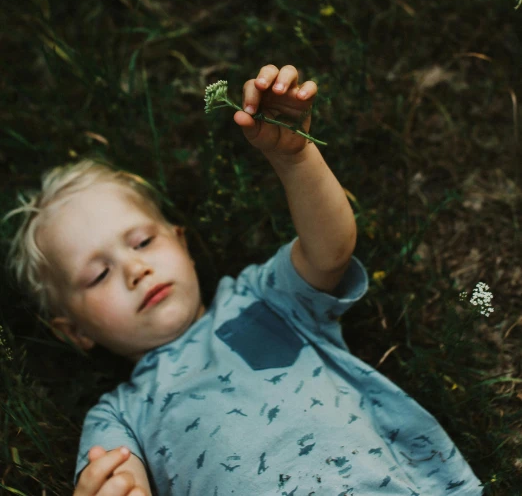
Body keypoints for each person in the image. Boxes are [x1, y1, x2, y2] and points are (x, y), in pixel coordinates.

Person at [5, 64, 484, 496]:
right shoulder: (120, 416)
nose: (135, 270)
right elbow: (119, 477)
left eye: (143, 242)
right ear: (75, 331)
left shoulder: (262, 299)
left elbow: (330, 249)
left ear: (182, 243)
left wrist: (296, 160)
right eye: (99, 274)